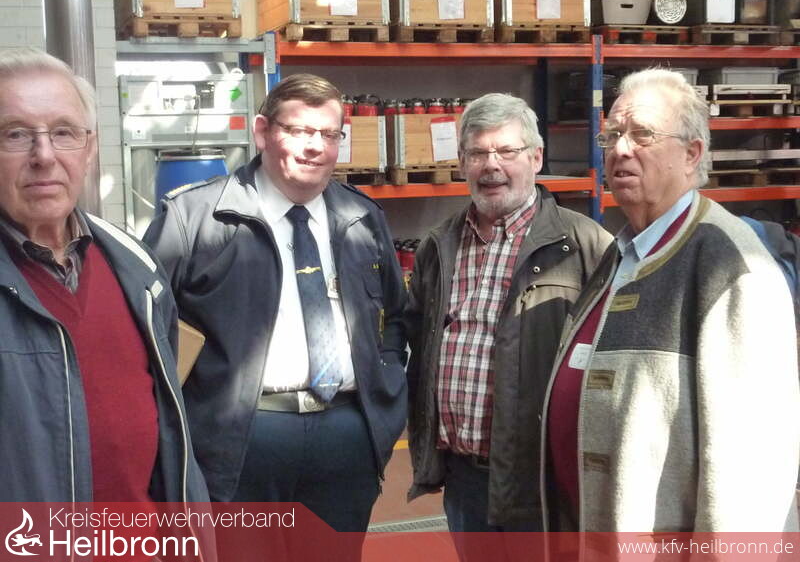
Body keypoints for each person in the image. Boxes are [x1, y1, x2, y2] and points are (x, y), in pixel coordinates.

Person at [143, 74, 407, 545]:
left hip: (346, 439)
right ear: (262, 132)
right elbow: (147, 334)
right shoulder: (195, 218)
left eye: (329, 134)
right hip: (240, 442)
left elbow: (394, 317)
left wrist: (382, 416)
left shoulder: (363, 219)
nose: (315, 147)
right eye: (299, 131)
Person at [541, 68, 800, 533]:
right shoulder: (623, 252)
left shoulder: (732, 266)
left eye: (642, 134)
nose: (621, 149)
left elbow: (751, 471)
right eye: (612, 135)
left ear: (691, 153)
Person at [404, 93, 612, 559]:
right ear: (462, 162)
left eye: (506, 151)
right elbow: (416, 344)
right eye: (478, 153)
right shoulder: (439, 246)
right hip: (464, 479)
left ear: (536, 157)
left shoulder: (586, 247)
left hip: (544, 480)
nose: (491, 165)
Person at [0, 47, 209, 505]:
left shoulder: (137, 266)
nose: (44, 155)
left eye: (63, 132)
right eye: (16, 134)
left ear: (90, 149)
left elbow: (171, 440)